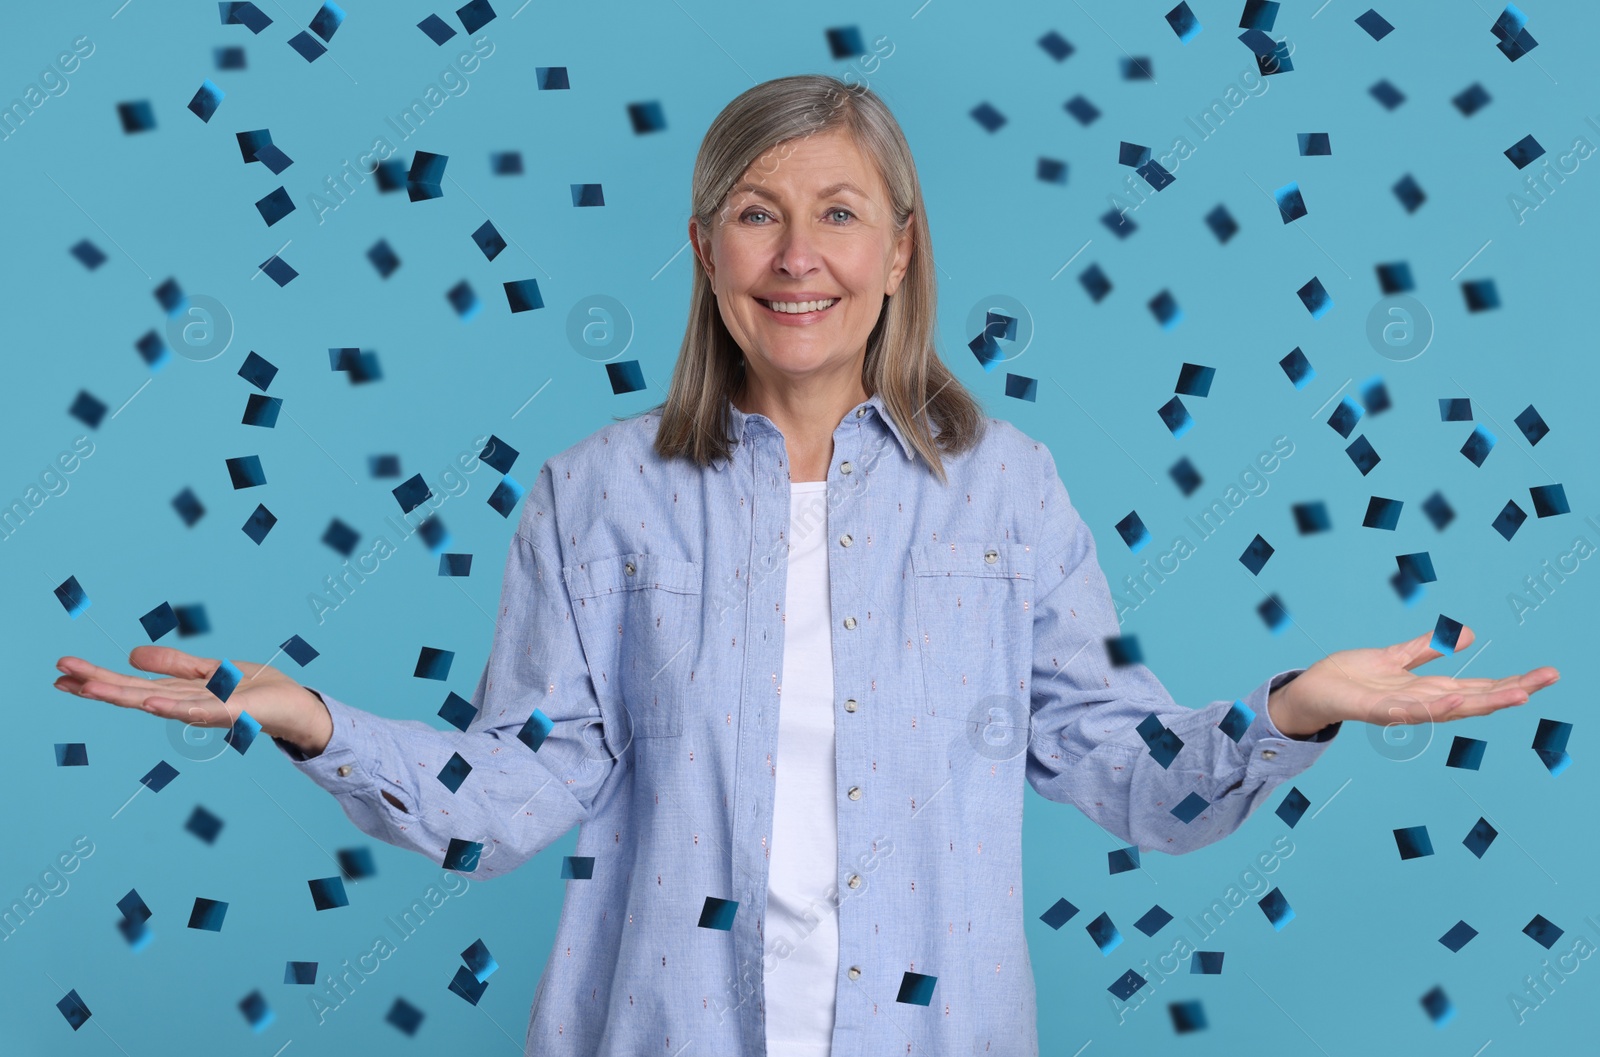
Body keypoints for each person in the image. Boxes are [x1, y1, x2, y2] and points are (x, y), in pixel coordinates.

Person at [54, 74, 1558, 1057]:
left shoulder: (1007, 487)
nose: (798, 256)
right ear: (707, 250)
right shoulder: (594, 495)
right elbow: (514, 791)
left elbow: (1124, 769)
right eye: (758, 215)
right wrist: (309, 714)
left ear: (902, 249)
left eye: (839, 212)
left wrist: (1292, 707)